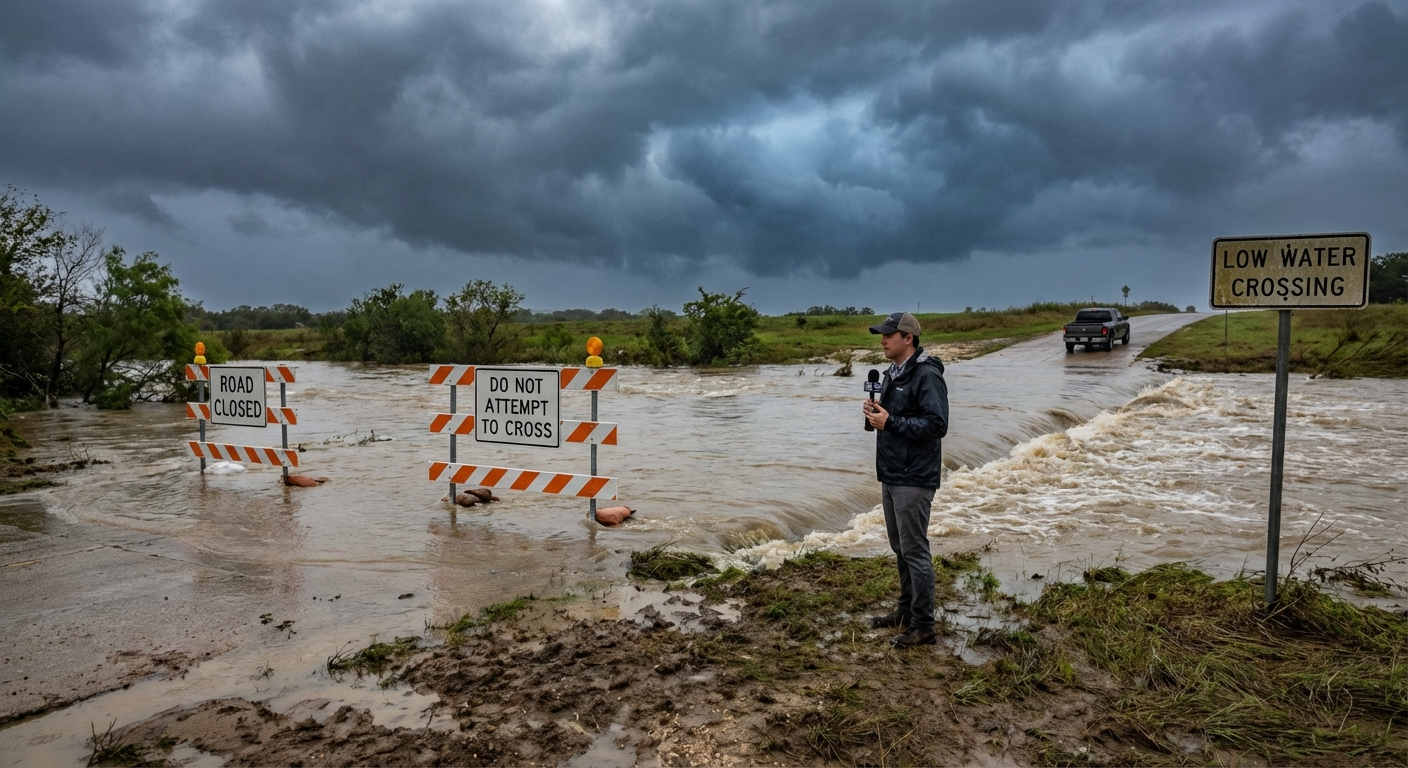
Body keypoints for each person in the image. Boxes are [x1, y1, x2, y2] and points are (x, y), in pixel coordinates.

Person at [862, 311, 949, 648]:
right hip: (892, 471)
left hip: (914, 476)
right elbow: (893, 419)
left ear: (908, 338)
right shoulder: (892, 373)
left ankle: (924, 625)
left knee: (914, 550)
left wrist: (891, 422)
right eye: (882, 335)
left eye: (888, 335)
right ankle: (906, 611)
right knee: (900, 547)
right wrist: (876, 416)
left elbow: (937, 425)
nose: (882, 340)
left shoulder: (927, 375)